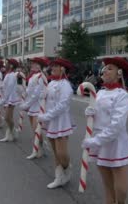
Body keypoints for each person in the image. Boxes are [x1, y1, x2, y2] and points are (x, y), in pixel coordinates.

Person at [82, 57, 128, 204]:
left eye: (110, 68)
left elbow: (116, 125)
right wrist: (90, 113)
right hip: (101, 142)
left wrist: (95, 141)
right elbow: (98, 117)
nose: (105, 71)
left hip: (116, 143)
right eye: (105, 68)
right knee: (108, 187)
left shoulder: (122, 95)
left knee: (121, 190)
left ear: (119, 74)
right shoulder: (99, 93)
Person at [37, 58, 74, 189]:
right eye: (52, 66)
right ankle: (59, 176)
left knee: (61, 153)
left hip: (61, 121)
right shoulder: (51, 83)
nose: (52, 68)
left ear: (63, 69)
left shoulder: (66, 85)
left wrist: (46, 116)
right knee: (55, 151)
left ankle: (67, 168)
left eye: (56, 66)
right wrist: (42, 95)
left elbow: (62, 106)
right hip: (50, 121)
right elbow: (46, 98)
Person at [20, 57, 49, 159]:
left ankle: (38, 148)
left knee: (35, 129)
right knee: (35, 130)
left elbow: (37, 93)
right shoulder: (33, 76)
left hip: (38, 106)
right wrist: (25, 92)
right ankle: (40, 147)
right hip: (32, 105)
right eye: (32, 63)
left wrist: (26, 104)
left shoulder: (40, 76)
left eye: (34, 63)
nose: (32, 65)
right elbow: (31, 91)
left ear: (39, 66)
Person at [0, 58, 22, 142]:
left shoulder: (12, 75)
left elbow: (9, 88)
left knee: (7, 118)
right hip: (7, 98)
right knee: (9, 118)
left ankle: (13, 131)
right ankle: (10, 134)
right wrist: (1, 86)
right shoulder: (8, 74)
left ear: (11, 65)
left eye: (7, 63)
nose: (5, 64)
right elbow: (5, 85)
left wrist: (3, 100)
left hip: (11, 99)